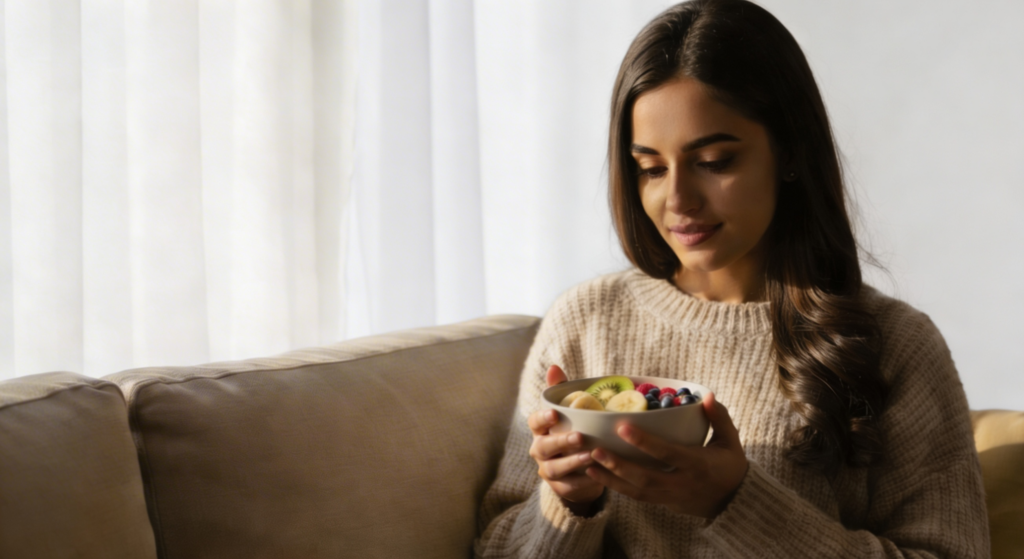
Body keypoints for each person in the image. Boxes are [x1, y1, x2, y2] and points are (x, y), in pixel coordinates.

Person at [473, 0, 990, 557]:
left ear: (789, 151)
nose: (677, 200)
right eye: (650, 168)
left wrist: (736, 503)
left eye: (715, 161)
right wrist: (568, 503)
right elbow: (496, 545)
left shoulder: (895, 345)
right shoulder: (586, 322)